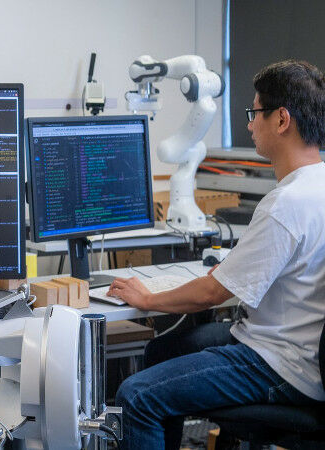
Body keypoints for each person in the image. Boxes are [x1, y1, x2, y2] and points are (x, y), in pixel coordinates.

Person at [109, 59, 325, 449]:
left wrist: (148, 298)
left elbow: (212, 294)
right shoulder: (317, 185)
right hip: (302, 352)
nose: (248, 124)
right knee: (162, 350)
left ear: (281, 120)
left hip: (278, 364)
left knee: (136, 397)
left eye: (254, 112)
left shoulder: (286, 203)